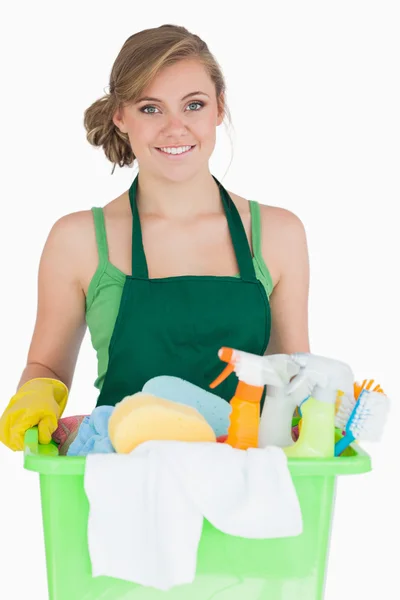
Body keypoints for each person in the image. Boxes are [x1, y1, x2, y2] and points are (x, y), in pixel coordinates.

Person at [0, 24, 310, 451]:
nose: (175, 128)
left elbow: (293, 375)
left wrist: (321, 414)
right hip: (117, 478)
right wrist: (35, 394)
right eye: (151, 109)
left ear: (219, 108)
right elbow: (47, 364)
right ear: (120, 116)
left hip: (249, 485)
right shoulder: (79, 241)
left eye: (193, 105)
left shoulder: (277, 235)